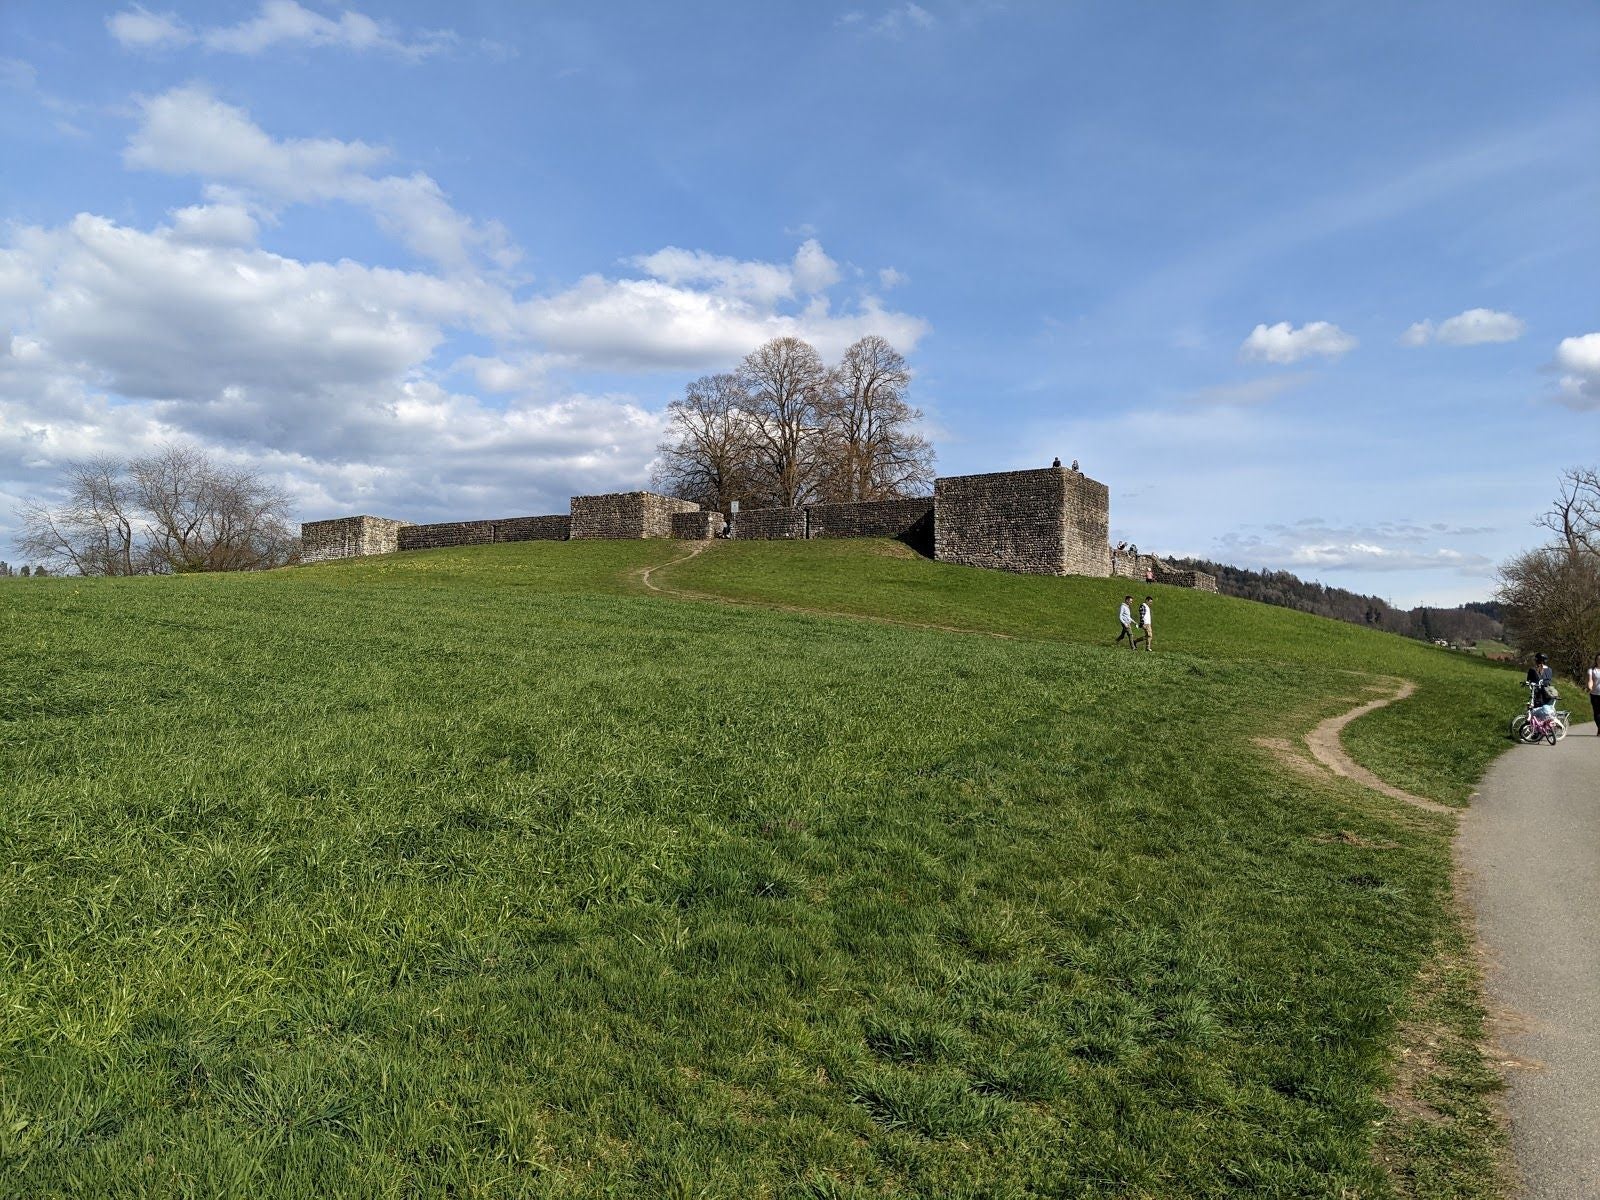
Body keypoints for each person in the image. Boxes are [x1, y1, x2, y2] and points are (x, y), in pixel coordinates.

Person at [1587, 653, 1600, 735]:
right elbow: (1590, 680)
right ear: (1596, 660)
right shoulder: (1591, 670)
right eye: (1598, 659)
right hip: (1595, 694)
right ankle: (1599, 727)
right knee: (1597, 713)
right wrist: (1589, 686)